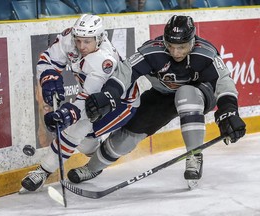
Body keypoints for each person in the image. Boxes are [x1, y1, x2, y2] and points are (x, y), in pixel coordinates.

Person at [67, 15, 246, 187]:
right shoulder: (152, 50)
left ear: (193, 41)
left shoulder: (206, 53)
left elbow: (224, 82)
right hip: (163, 95)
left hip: (200, 92)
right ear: (164, 40)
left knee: (186, 93)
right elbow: (126, 71)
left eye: (182, 47)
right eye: (171, 46)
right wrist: (109, 94)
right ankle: (92, 168)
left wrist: (229, 111)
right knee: (128, 135)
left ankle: (194, 154)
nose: (176, 52)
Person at [20, 14, 140, 192]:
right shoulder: (70, 38)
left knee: (76, 129)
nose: (81, 46)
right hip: (93, 98)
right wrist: (49, 77)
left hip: (121, 102)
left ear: (99, 39)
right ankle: (97, 156)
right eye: (79, 41)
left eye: (87, 42)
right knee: (83, 141)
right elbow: (47, 60)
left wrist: (66, 115)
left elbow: (88, 102)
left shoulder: (104, 61)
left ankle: (42, 172)